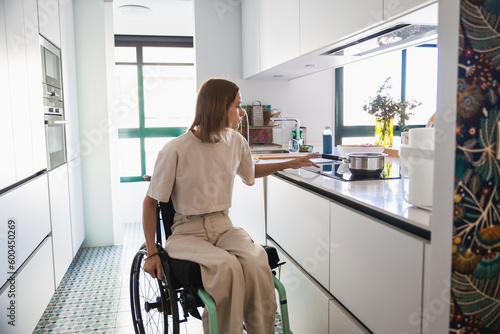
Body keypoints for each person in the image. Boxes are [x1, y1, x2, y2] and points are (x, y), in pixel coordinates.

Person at [142, 78, 317, 334]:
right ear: (217, 107)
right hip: (186, 232)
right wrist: (151, 251)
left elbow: (250, 171)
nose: (242, 111)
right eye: (237, 105)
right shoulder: (175, 149)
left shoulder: (236, 142)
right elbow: (150, 202)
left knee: (257, 262)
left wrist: (287, 163)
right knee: (227, 267)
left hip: (224, 226)